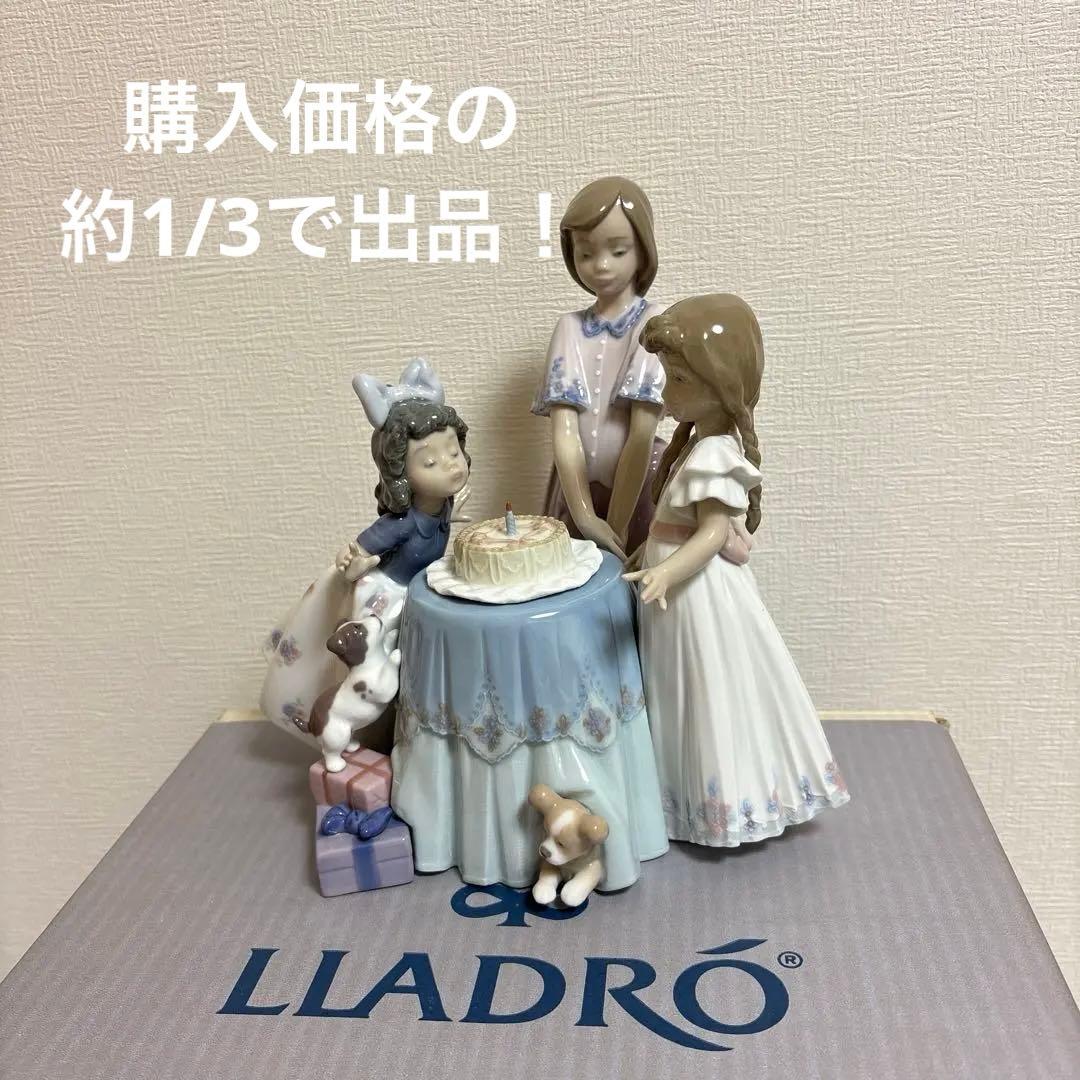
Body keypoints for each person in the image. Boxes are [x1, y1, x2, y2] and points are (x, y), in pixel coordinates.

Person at [624, 294, 850, 846]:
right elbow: (674, 525)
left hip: (697, 596)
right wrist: (645, 554)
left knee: (705, 689)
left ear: (720, 387)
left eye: (679, 380)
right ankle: (678, 796)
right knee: (677, 689)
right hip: (675, 593)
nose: (667, 391)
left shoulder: (714, 455)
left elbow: (709, 534)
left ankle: (722, 802)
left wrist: (666, 572)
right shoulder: (695, 446)